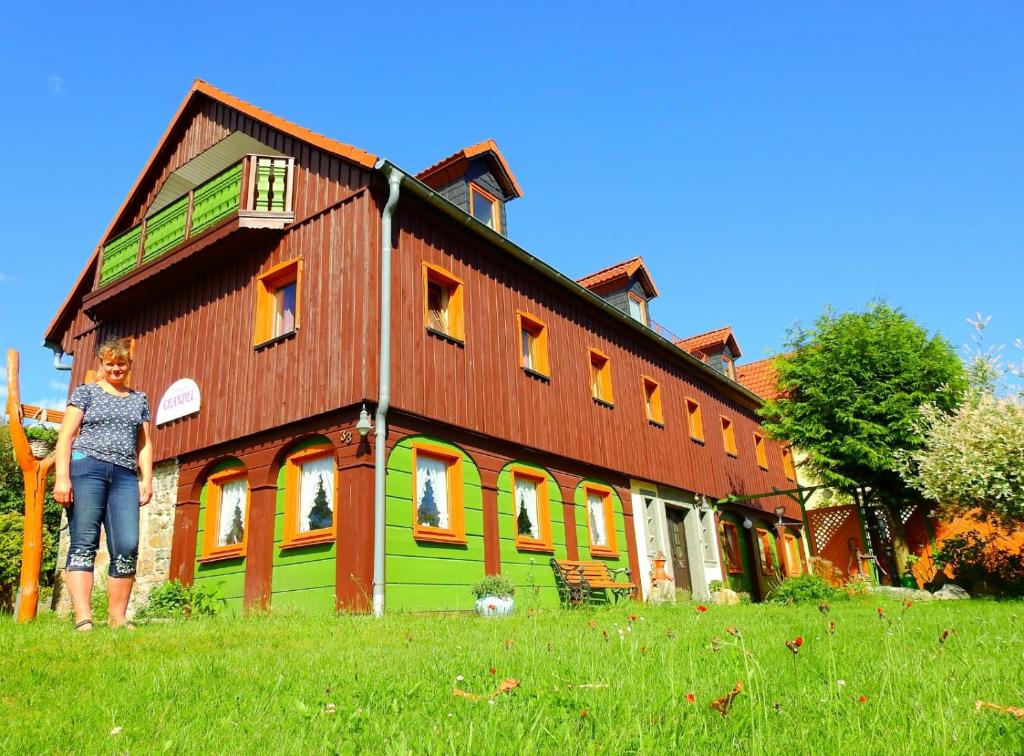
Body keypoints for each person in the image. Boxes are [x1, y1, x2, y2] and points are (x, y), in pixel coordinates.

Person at [53, 337, 153, 631]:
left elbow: (144, 443)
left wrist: (146, 478)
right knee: (84, 541)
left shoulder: (139, 399)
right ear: (101, 364)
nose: (115, 368)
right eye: (110, 363)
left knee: (127, 544)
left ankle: (117, 619)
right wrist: (62, 478)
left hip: (124, 474)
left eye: (121, 363)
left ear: (129, 365)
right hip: (87, 467)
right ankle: (83, 618)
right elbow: (66, 437)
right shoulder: (86, 393)